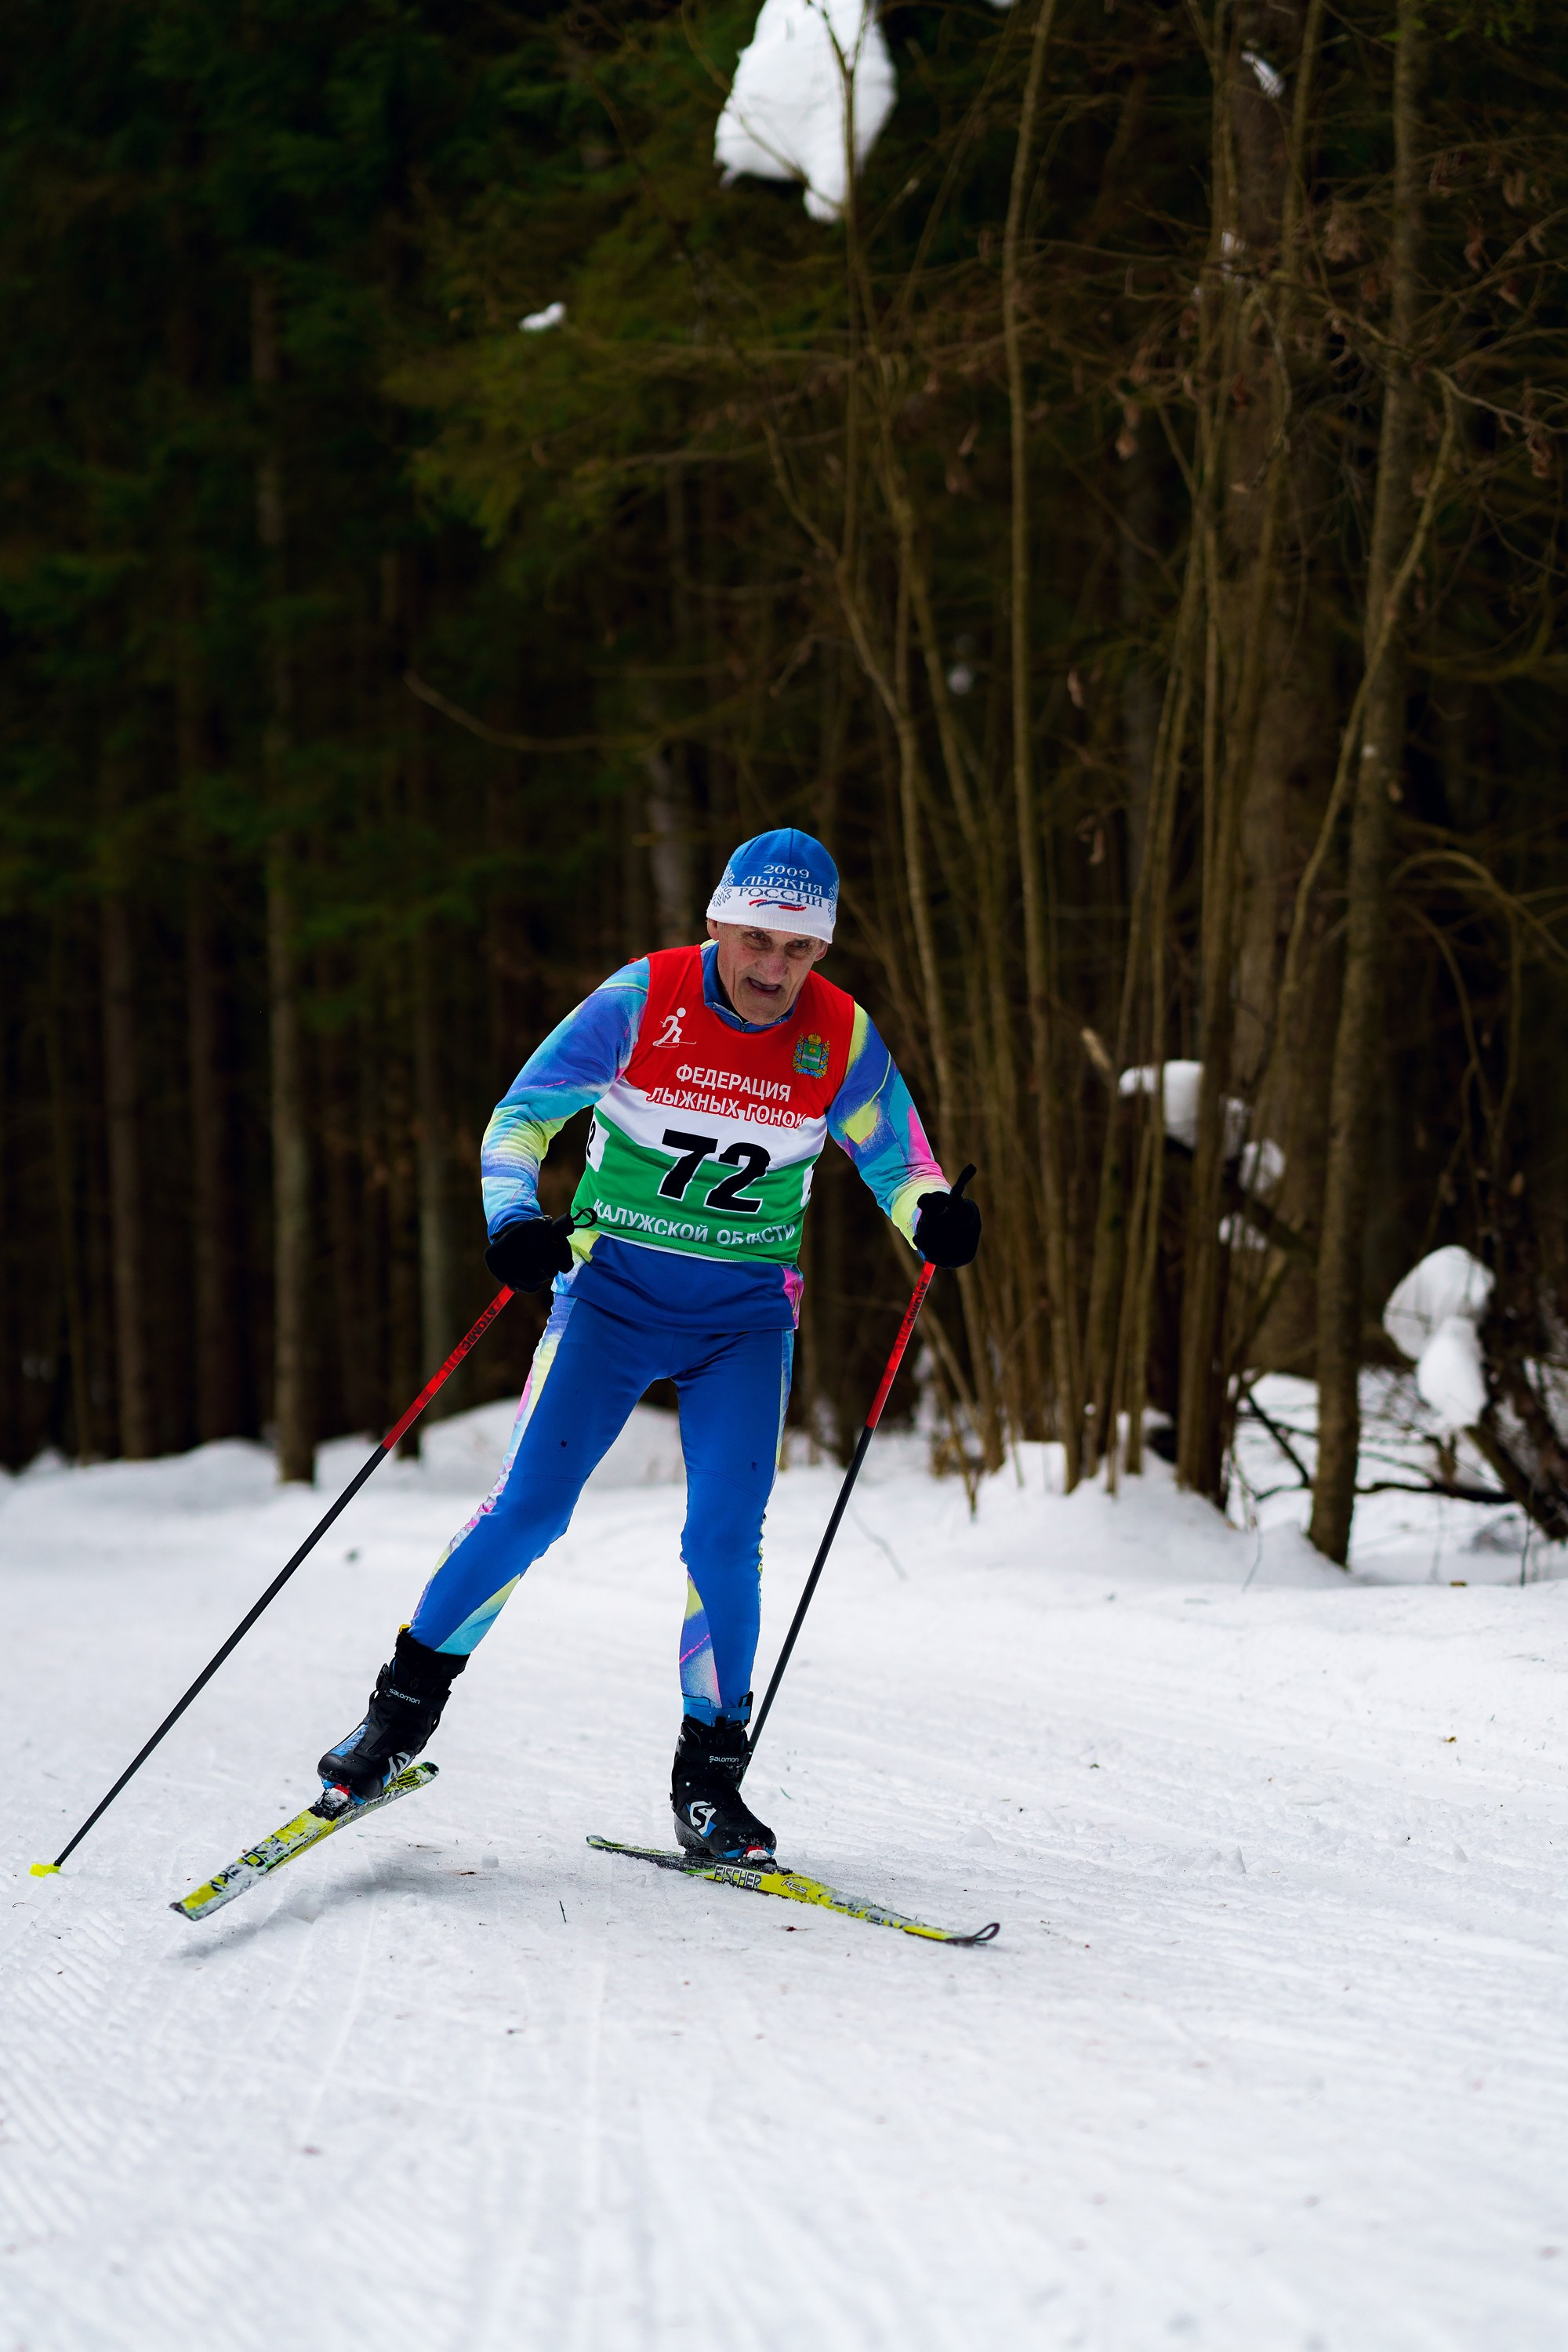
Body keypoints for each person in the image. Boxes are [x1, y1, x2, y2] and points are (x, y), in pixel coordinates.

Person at [318, 828, 980, 1860]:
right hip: (613, 1296)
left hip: (745, 1319)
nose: (773, 968)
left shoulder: (838, 1036)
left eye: (799, 951)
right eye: (757, 939)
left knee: (725, 1540)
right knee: (528, 1512)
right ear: (717, 921)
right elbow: (520, 1119)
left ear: (824, 953)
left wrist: (931, 1213)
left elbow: (900, 1157)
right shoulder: (644, 998)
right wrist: (512, 1219)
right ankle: (395, 1721)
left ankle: (708, 1787)